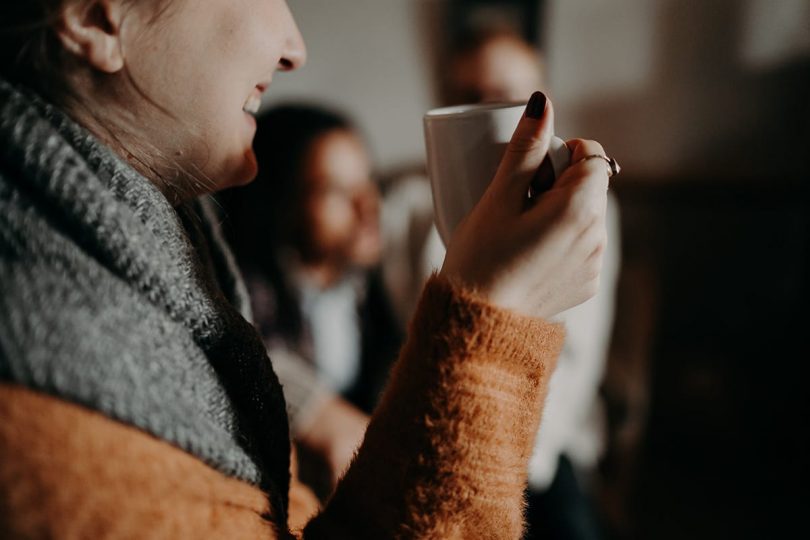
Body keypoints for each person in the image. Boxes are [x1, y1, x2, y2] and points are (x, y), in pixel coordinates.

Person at [0, 1, 611, 538]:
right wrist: (497, 324)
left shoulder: (168, 253)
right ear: (93, 15)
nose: (295, 47)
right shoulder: (50, 398)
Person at [384, 26, 620, 539]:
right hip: (434, 421)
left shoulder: (584, 206)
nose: (492, 111)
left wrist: (513, 455)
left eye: (514, 99)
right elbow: (405, 331)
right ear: (444, 104)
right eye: (473, 98)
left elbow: (578, 359)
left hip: (543, 443)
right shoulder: (404, 208)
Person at [221, 105, 402, 489]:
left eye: (368, 181)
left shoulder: (379, 286)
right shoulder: (244, 292)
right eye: (335, 190)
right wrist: (315, 410)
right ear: (283, 202)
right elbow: (238, 356)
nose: (367, 207)